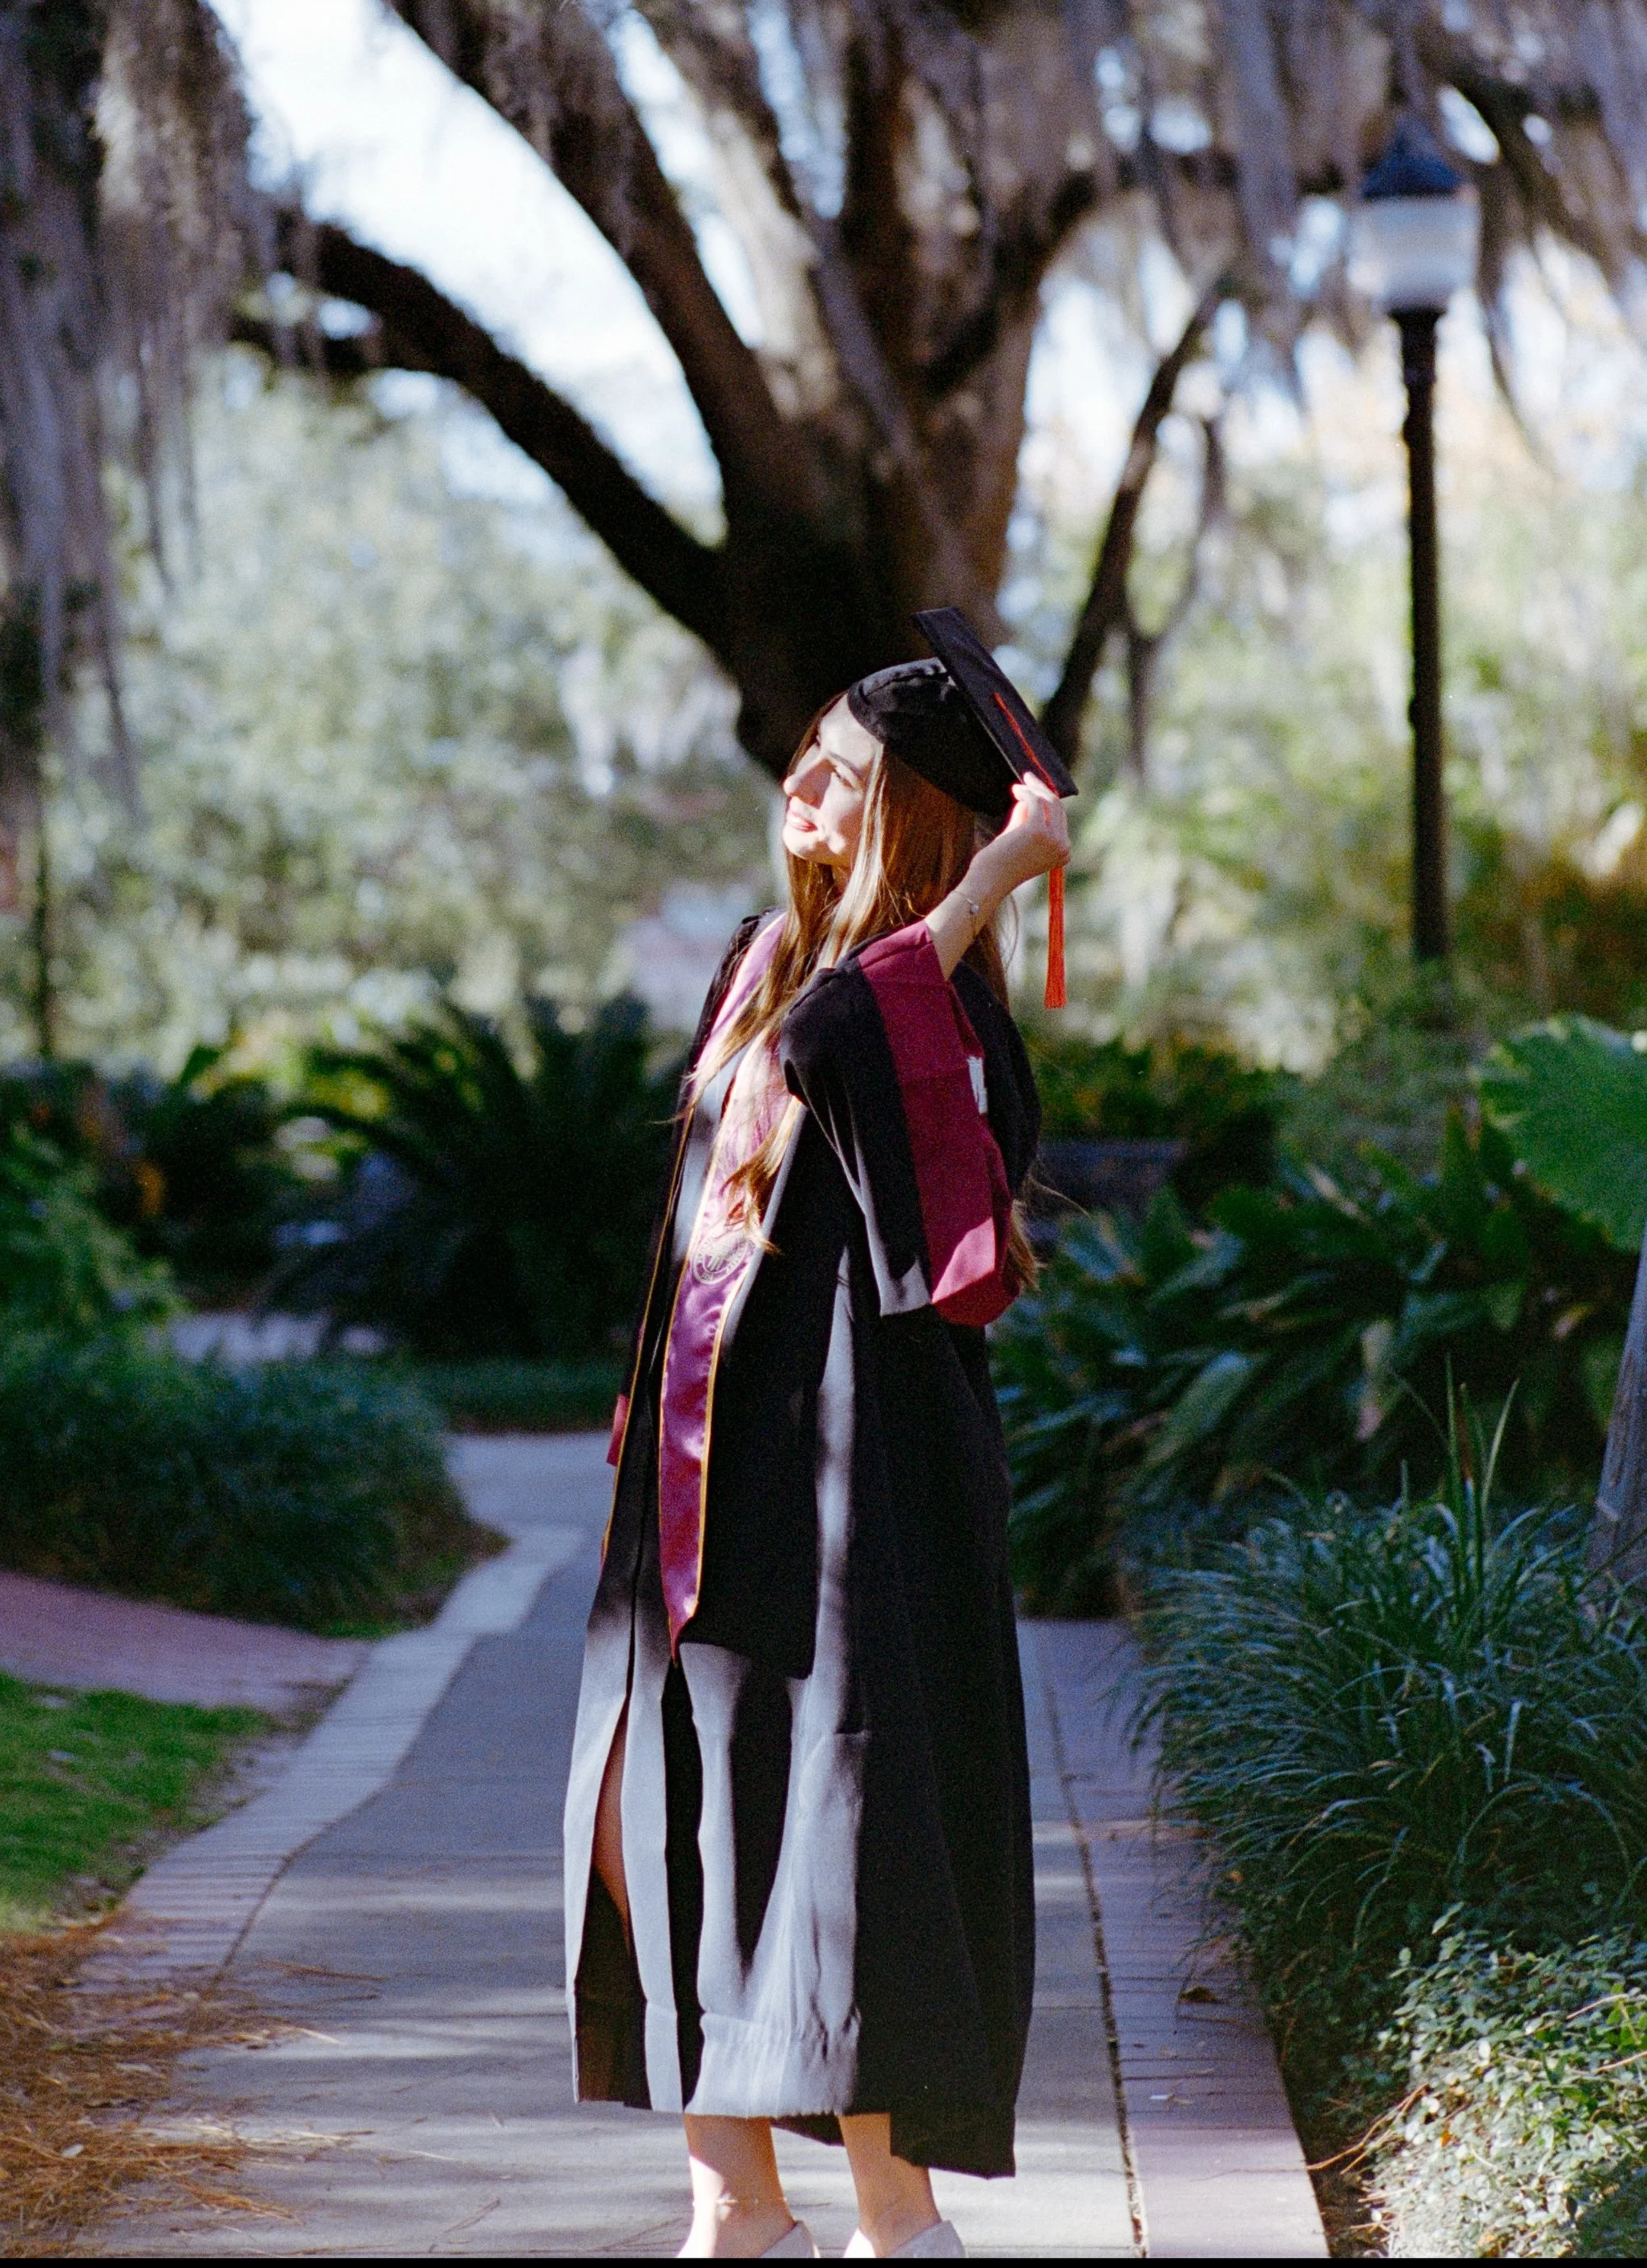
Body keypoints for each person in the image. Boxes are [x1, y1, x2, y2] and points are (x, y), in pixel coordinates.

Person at [561, 614, 1072, 2262]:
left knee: (843, 1836)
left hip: (863, 1485)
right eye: (800, 754)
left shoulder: (946, 1022)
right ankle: (733, 2207)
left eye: (838, 771)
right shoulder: (756, 967)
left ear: (911, 816)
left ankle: (894, 2225)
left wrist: (990, 885)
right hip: (706, 1482)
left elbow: (843, 1063)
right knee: (653, 1814)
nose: (797, 782)